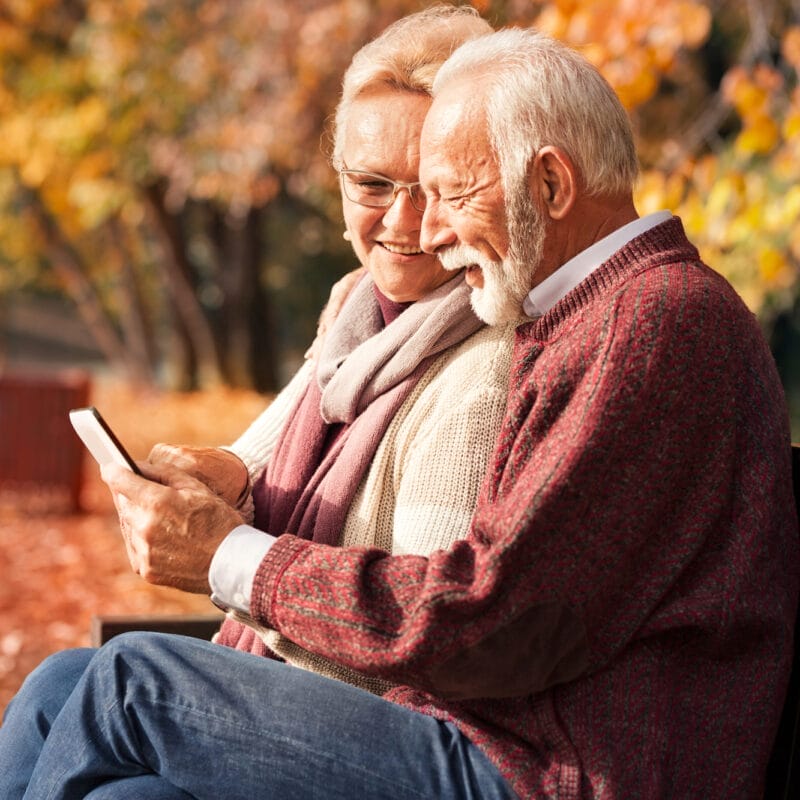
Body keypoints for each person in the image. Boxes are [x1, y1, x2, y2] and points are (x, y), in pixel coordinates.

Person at [3, 23, 799, 800]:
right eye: (387, 186)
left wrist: (232, 561)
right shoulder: (600, 315)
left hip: (546, 773)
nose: (434, 230)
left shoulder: (652, 322)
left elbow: (489, 620)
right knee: (76, 702)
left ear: (551, 185)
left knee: (132, 681)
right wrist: (226, 489)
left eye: (452, 193)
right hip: (499, 741)